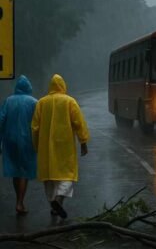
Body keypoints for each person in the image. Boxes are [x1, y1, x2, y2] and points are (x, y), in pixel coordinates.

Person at [32, 74, 89, 219]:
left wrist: (36, 144)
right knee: (67, 176)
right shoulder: (69, 101)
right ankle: (59, 201)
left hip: (46, 148)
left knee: (49, 178)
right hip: (65, 147)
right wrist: (83, 142)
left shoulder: (41, 103)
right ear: (63, 86)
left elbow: (35, 127)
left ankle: (53, 204)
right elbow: (79, 123)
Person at [0, 75, 37, 214]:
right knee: (24, 171)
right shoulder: (34, 102)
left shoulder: (8, 101)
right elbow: (39, 123)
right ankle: (20, 202)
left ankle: (18, 200)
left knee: (16, 170)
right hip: (27, 141)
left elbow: (1, 121)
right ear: (29, 87)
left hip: (9, 141)